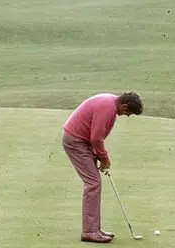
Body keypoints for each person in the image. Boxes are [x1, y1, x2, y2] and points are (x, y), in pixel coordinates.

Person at [61, 92, 143, 243]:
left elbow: (94, 137)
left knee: (94, 182)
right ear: (124, 106)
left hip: (81, 141)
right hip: (75, 141)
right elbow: (96, 138)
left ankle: (94, 229)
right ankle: (89, 231)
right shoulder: (108, 107)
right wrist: (104, 159)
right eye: (128, 113)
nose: (126, 115)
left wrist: (98, 154)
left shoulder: (111, 102)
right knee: (93, 183)